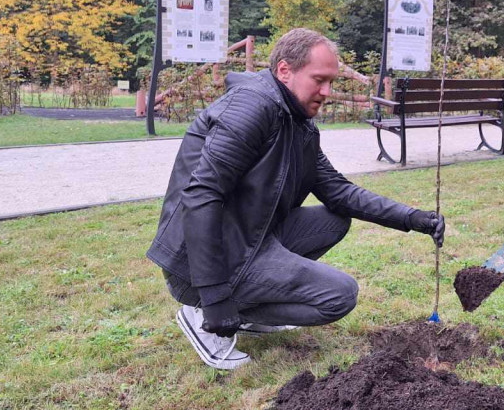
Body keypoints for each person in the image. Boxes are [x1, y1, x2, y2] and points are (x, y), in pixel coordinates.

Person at [147, 28, 445, 370]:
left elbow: (338, 191)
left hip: (249, 236)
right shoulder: (251, 108)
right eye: (319, 79)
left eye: (331, 82)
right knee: (339, 295)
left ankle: (245, 306)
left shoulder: (297, 121)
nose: (327, 92)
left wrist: (412, 218)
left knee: (334, 219)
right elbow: (201, 196)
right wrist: (213, 294)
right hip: (197, 263)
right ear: (285, 70)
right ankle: (202, 313)